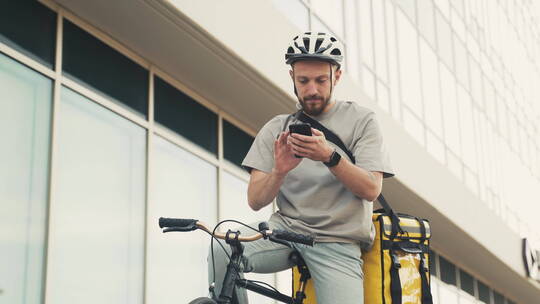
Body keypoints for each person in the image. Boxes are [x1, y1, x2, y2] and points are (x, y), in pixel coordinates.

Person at [208, 32, 394, 304]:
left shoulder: (362, 121)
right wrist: (279, 171)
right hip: (284, 230)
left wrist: (329, 156)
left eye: (321, 80)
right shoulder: (277, 128)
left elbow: (371, 188)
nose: (312, 90)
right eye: (303, 80)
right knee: (223, 246)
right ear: (292, 77)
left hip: (337, 240)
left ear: (337, 76)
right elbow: (255, 200)